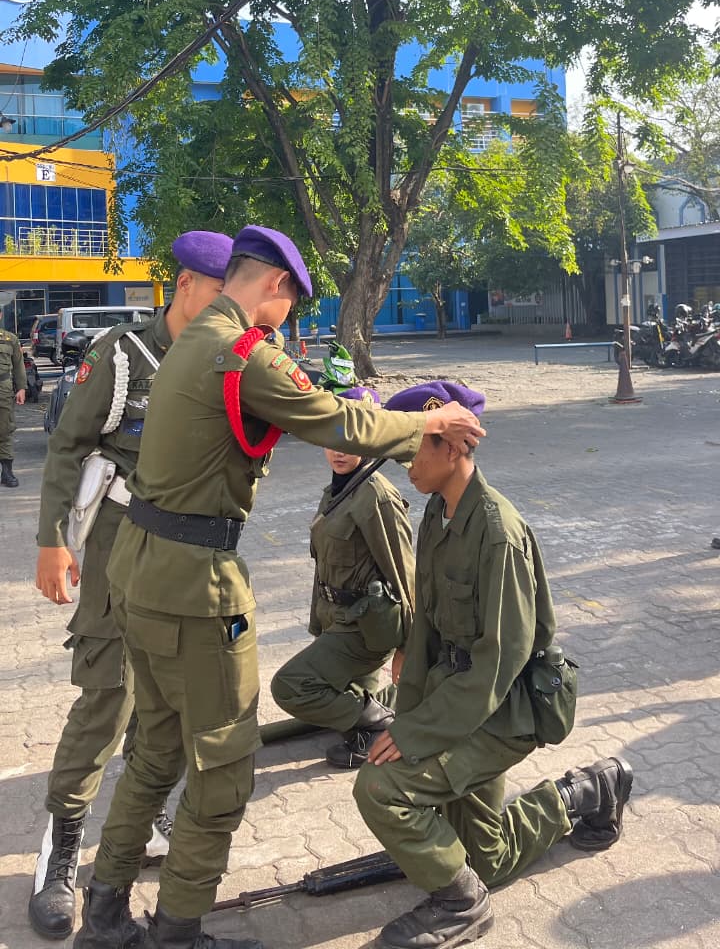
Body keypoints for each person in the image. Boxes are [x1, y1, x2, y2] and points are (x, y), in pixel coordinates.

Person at [72, 225, 484, 949]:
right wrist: (430, 420)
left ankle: (104, 918)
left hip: (137, 567)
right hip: (195, 587)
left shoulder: (188, 341)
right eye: (293, 300)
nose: (289, 315)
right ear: (275, 285)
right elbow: (337, 419)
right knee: (223, 764)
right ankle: (177, 932)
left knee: (159, 747)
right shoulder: (241, 352)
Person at [353, 381, 634, 949]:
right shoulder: (436, 515)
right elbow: (426, 632)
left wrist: (417, 735)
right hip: (458, 700)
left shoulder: (498, 533)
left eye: (414, 449)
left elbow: (498, 664)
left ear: (454, 447)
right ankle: (589, 792)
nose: (405, 465)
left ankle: (460, 905)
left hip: (505, 711)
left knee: (381, 788)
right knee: (489, 859)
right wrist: (407, 717)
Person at [30, 232, 233, 941]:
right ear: (187, 285)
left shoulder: (226, 355)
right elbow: (67, 446)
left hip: (186, 550)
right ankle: (60, 851)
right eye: (221, 293)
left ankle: (142, 819)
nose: (231, 307)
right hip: (119, 541)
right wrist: (53, 540)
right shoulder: (124, 354)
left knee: (170, 693)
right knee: (108, 692)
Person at [271, 386, 416, 769]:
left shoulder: (376, 497)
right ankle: (366, 720)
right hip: (339, 621)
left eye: (352, 441)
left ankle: (380, 725)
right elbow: (326, 566)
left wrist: (409, 649)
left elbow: (406, 576)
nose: (340, 450)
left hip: (365, 630)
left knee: (291, 686)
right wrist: (319, 625)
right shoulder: (337, 490)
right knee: (333, 698)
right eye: (333, 438)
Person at [0, 323, 27, 486]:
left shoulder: (10, 339)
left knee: (5, 429)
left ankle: (7, 472)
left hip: (3, 388)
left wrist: (21, 388)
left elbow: (18, 365)